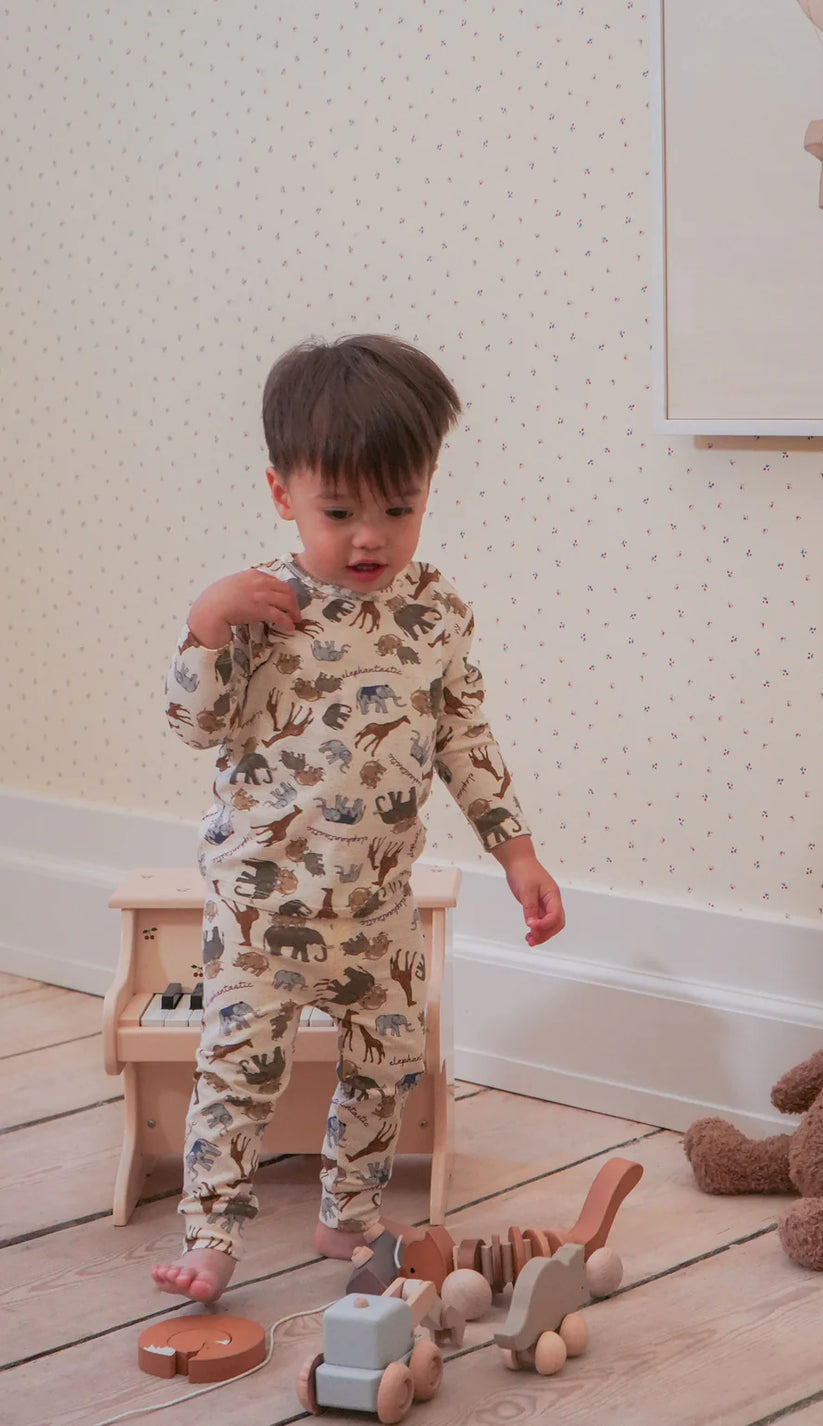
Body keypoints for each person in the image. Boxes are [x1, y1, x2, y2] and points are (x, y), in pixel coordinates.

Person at [152, 334, 565, 1303]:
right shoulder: (258, 605)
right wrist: (205, 624)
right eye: (340, 512)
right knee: (238, 1069)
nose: (370, 536)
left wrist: (517, 850)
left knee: (391, 1058)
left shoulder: (436, 613)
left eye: (399, 508)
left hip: (377, 902)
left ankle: (349, 1207)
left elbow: (464, 734)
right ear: (281, 493)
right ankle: (212, 1235)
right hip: (263, 903)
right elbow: (194, 722)